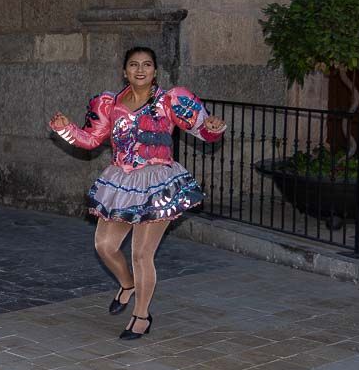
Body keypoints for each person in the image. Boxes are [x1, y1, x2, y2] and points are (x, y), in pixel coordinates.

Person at [49, 46, 227, 340]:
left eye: (146, 65)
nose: (140, 70)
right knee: (104, 246)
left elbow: (202, 128)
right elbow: (91, 140)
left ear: (155, 71)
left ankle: (142, 315)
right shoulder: (110, 104)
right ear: (125, 71)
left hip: (158, 183)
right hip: (122, 182)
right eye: (134, 65)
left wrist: (213, 128)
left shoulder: (170, 101)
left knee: (142, 254)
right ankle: (128, 285)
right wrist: (65, 129)